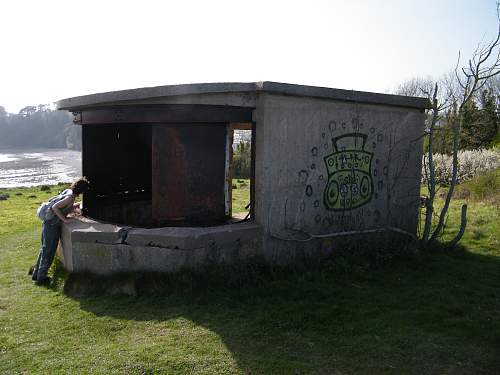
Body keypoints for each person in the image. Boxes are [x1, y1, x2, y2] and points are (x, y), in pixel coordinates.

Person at [32, 177, 90, 285]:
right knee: (49, 250)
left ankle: (37, 274)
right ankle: (41, 279)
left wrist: (79, 204)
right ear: (81, 191)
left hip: (48, 223)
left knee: (45, 249)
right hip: (52, 225)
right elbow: (55, 207)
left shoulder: (68, 192)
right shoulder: (70, 197)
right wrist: (65, 219)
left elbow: (65, 206)